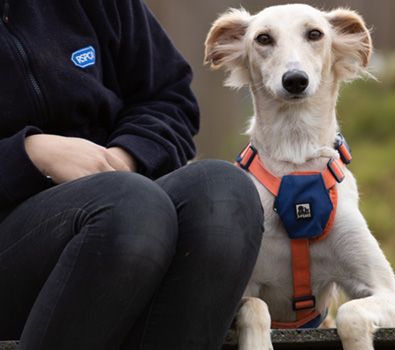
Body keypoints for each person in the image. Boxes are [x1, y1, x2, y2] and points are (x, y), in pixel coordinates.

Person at [0, 0, 263, 349]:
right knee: (130, 207)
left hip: (121, 223)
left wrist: (126, 156)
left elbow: (168, 97)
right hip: (20, 248)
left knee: (223, 192)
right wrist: (31, 154)